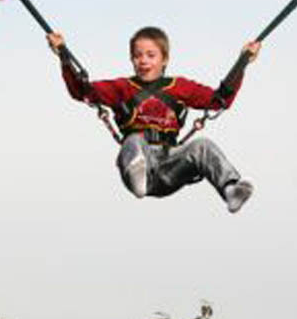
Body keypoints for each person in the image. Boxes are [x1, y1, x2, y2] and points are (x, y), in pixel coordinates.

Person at [47, 25, 261, 213]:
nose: (143, 61)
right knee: (134, 140)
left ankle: (230, 189)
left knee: (203, 145)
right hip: (138, 162)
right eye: (137, 55)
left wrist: (242, 64)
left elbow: (219, 100)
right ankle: (137, 174)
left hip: (170, 165)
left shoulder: (179, 87)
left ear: (164, 59)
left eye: (151, 55)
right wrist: (64, 57)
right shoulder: (122, 88)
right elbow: (82, 91)